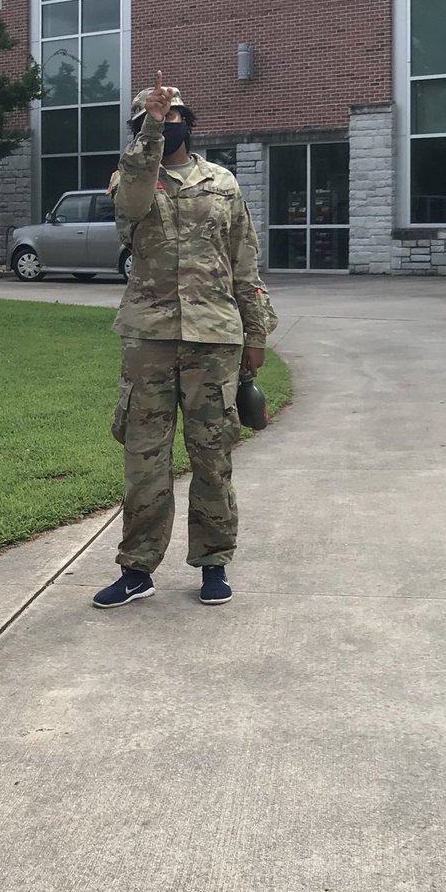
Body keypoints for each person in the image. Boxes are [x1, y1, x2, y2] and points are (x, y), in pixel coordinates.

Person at [94, 71, 277, 610]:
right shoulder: (129, 178)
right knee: (143, 458)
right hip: (149, 340)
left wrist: (256, 329)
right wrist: (149, 128)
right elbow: (130, 205)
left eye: (174, 116)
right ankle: (137, 568)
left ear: (188, 123)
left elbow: (244, 259)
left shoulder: (223, 182)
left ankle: (214, 562)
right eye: (156, 116)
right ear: (141, 125)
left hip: (214, 337)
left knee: (211, 455)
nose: (167, 123)